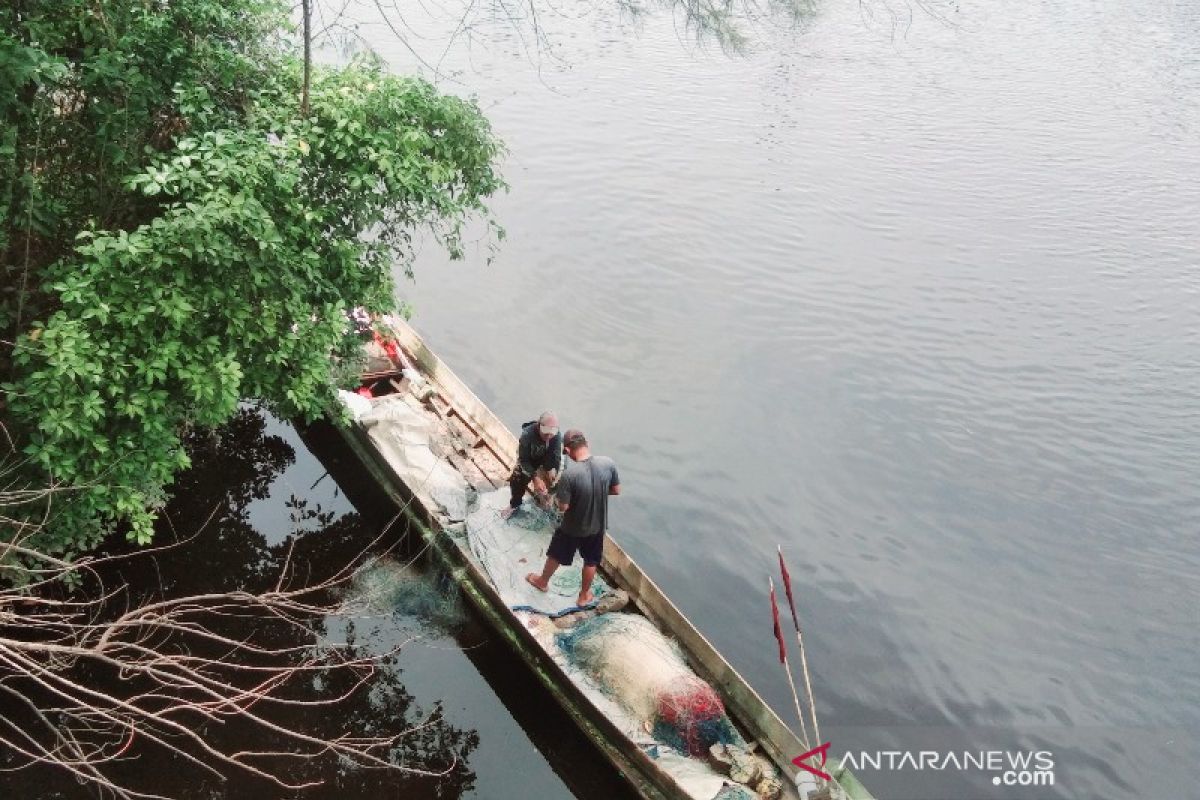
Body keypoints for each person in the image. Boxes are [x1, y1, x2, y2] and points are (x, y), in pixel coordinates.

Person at [525, 429, 620, 606]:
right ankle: (584, 596)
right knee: (591, 560)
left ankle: (542, 582)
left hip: (573, 527)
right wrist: (594, 493)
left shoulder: (570, 475)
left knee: (556, 554)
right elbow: (616, 490)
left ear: (567, 451)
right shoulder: (609, 463)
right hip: (598, 526)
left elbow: (563, 507)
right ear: (587, 443)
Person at [501, 411, 564, 519]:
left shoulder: (556, 435)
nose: (549, 436)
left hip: (546, 462)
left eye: (552, 433)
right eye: (545, 433)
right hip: (530, 460)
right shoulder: (527, 435)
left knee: (557, 479)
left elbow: (556, 456)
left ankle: (546, 502)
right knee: (517, 477)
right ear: (539, 425)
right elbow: (523, 459)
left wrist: (551, 470)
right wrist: (535, 478)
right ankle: (515, 504)